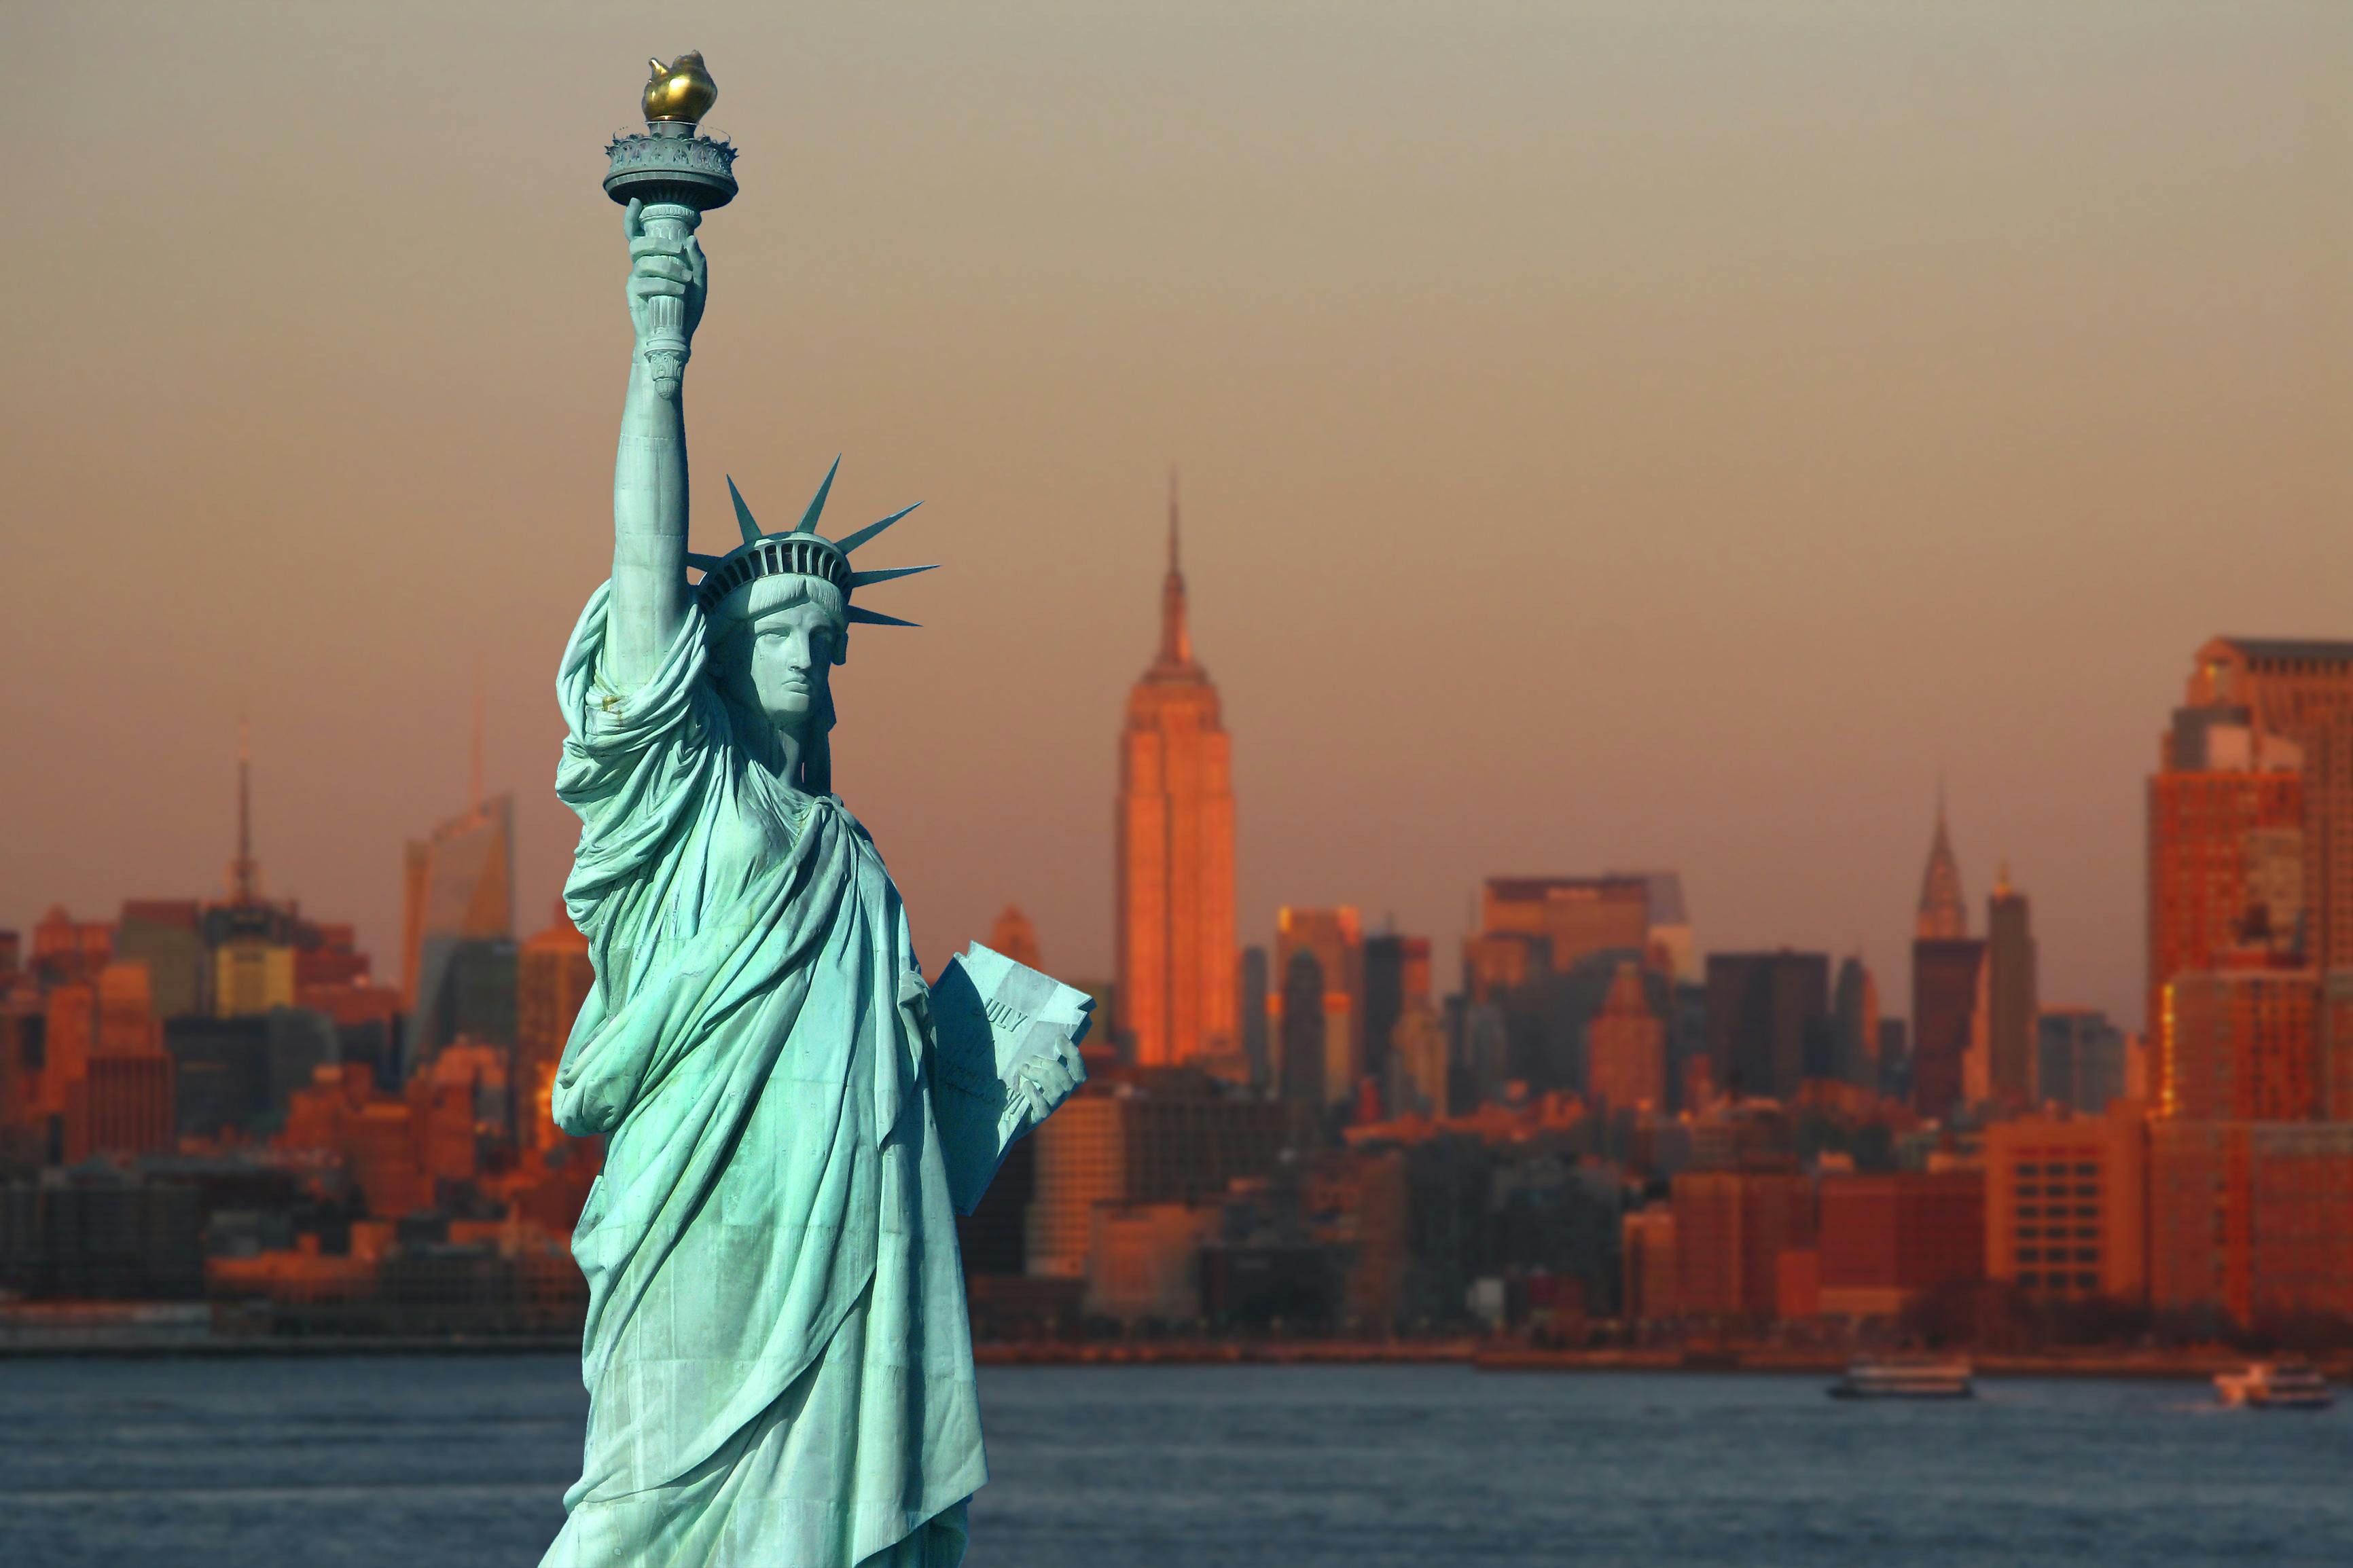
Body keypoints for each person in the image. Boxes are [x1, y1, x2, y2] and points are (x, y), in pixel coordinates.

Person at [539, 196, 1081, 1568]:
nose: (804, 648)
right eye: (775, 625)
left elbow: (892, 1097)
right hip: (698, 1216)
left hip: (850, 1231)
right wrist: (661, 351)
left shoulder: (852, 856)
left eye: (825, 635)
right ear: (712, 654)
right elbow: (645, 571)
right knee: (637, 1510)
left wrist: (994, 1077)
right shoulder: (681, 795)